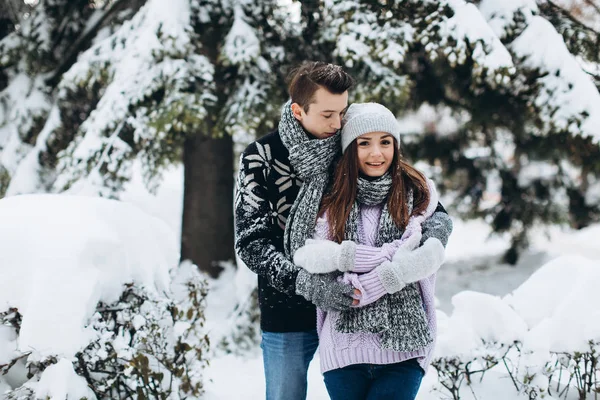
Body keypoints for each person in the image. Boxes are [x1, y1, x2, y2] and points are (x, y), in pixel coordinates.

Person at [293, 103, 453, 400]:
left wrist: (379, 278)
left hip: (404, 349)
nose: (376, 153)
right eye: (364, 143)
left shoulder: (417, 193)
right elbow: (311, 258)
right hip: (344, 351)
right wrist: (359, 259)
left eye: (385, 142)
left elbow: (428, 255)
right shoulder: (330, 200)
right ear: (349, 148)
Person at [234, 61, 357, 400]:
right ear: (298, 111)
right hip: (286, 308)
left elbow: (405, 192)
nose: (337, 124)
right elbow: (251, 243)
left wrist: (436, 227)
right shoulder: (261, 157)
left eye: (342, 113)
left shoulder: (353, 148)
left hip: (354, 302)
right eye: (327, 114)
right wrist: (305, 283)